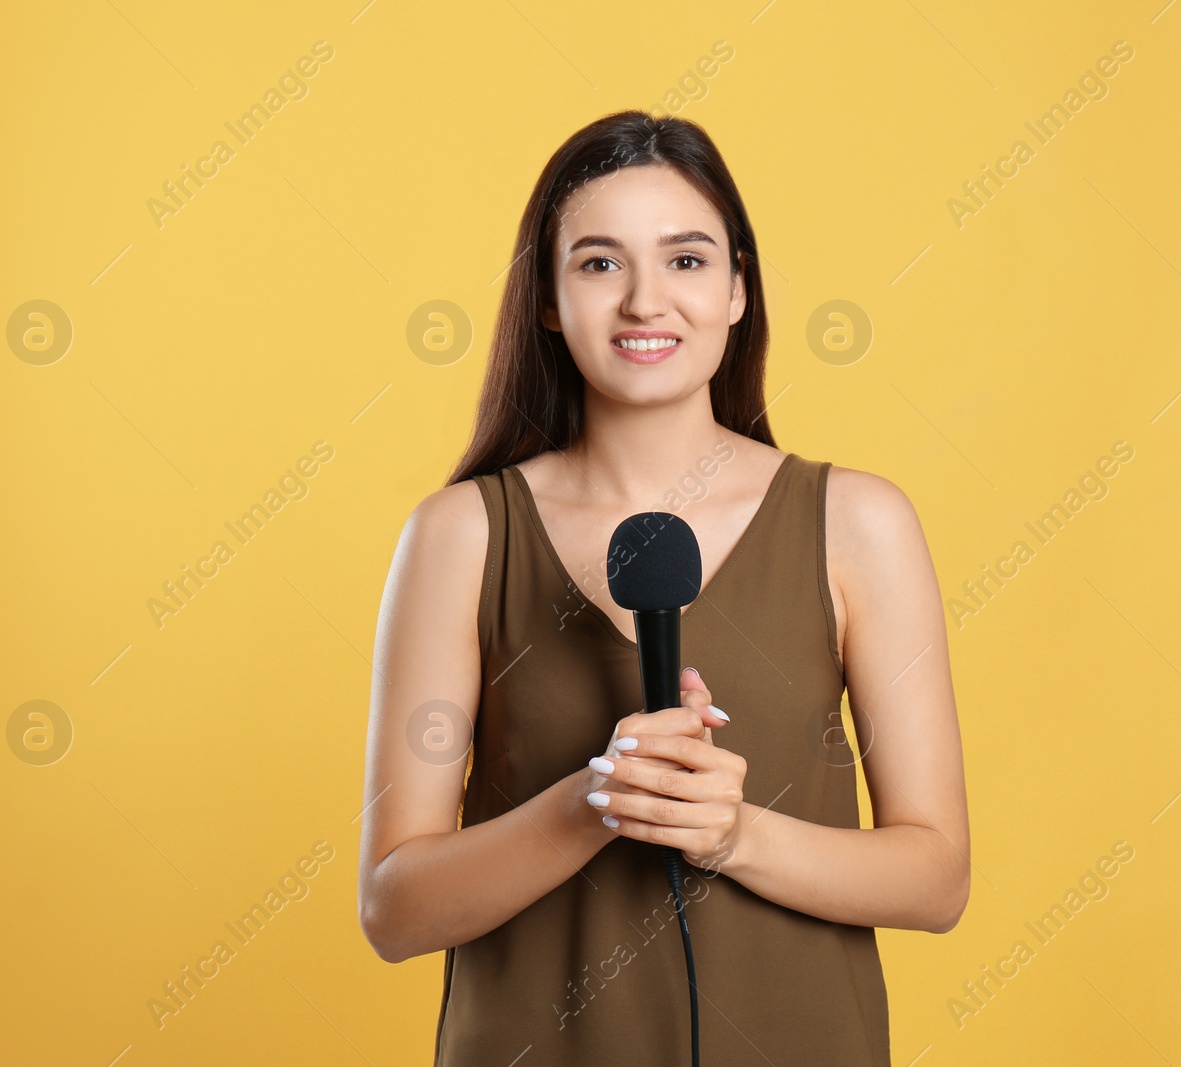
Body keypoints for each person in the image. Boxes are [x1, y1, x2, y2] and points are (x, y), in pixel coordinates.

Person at [358, 109, 970, 1065]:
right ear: (550, 302)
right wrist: (596, 800)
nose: (647, 301)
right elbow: (395, 908)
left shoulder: (860, 523)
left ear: (738, 290)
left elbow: (936, 879)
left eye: (686, 260)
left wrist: (733, 833)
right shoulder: (459, 534)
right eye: (601, 263)